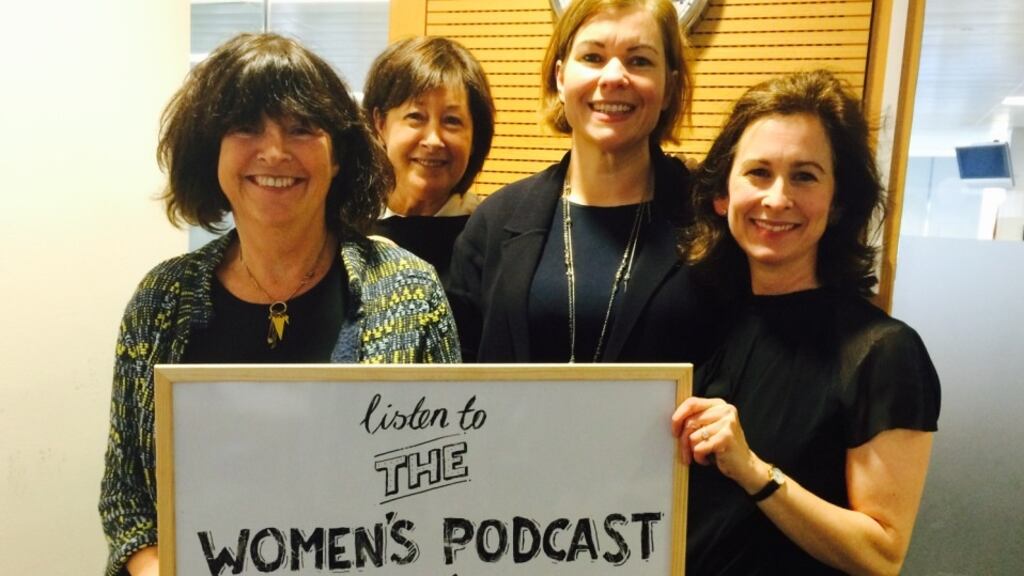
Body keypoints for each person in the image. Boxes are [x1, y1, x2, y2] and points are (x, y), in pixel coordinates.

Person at [99, 33, 460, 576]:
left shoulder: (410, 290)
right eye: (245, 127)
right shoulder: (161, 302)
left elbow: (449, 485)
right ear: (210, 151)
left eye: (300, 128)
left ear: (337, 155)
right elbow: (127, 499)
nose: (274, 152)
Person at [672, 69, 941, 574]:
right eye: (758, 173)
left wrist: (753, 471)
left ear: (838, 203)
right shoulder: (701, 321)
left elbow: (881, 555)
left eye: (804, 176)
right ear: (722, 195)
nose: (777, 199)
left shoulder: (884, 352)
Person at [447, 0, 716, 363]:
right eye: (593, 57)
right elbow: (455, 375)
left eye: (639, 61)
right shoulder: (494, 223)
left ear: (669, 87)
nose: (613, 77)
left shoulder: (709, 219)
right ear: (560, 78)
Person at [363, 36, 495, 284]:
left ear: (475, 135)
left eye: (452, 120)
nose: (433, 140)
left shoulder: (492, 239)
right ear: (380, 124)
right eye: (416, 116)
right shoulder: (341, 232)